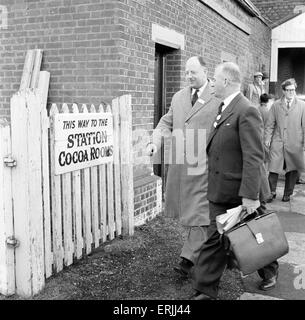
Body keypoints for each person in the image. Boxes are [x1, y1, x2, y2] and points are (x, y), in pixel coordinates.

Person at [191, 62, 278, 301]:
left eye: (215, 79)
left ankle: (270, 270)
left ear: (226, 81)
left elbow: (254, 156)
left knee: (256, 235)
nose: (211, 83)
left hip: (242, 191)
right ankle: (206, 289)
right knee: (215, 238)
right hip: (222, 189)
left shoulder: (246, 110)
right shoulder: (224, 107)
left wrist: (250, 196)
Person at [146, 56, 220, 277]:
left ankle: (187, 259)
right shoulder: (179, 96)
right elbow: (165, 122)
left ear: (205, 71)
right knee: (194, 216)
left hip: (204, 168)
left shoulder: (218, 96)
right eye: (186, 72)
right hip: (181, 166)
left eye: (193, 72)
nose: (189, 76)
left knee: (199, 214)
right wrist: (154, 142)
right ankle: (224, 253)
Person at [265, 78, 305, 202]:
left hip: (295, 142)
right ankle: (271, 192)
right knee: (273, 168)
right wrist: (267, 138)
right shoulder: (276, 105)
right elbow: (270, 124)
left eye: (292, 90)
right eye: (287, 90)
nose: (290, 92)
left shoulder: (302, 105)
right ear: (283, 91)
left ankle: (287, 193)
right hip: (278, 140)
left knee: (292, 169)